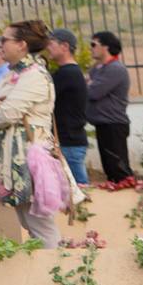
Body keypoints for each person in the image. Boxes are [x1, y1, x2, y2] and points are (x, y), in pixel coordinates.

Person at [0, 19, 79, 247]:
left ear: (22, 44)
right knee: (27, 219)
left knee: (40, 224)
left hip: (29, 158)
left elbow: (7, 113)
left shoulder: (34, 75)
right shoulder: (13, 74)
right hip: (12, 160)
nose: (1, 44)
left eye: (5, 40)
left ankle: (53, 272)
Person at [85, 30, 133, 181]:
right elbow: (88, 86)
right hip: (104, 124)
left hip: (113, 125)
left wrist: (88, 83)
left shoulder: (115, 69)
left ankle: (129, 197)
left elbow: (93, 92)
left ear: (105, 47)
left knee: (118, 170)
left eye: (94, 44)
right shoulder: (98, 68)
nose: (91, 48)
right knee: (110, 169)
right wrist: (88, 83)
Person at [46, 28, 91, 186]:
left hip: (68, 143)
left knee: (78, 193)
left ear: (64, 46)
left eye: (50, 43)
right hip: (69, 142)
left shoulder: (68, 74)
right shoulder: (67, 73)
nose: (47, 47)